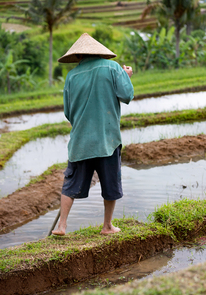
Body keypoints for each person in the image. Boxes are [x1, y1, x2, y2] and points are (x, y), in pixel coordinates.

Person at [52, 33, 134, 236]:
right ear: (99, 52)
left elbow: (68, 112)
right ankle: (107, 226)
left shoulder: (72, 76)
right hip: (108, 139)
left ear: (78, 56)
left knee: (70, 183)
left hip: (81, 140)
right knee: (110, 183)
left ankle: (61, 226)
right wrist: (126, 76)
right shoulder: (112, 67)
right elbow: (127, 95)